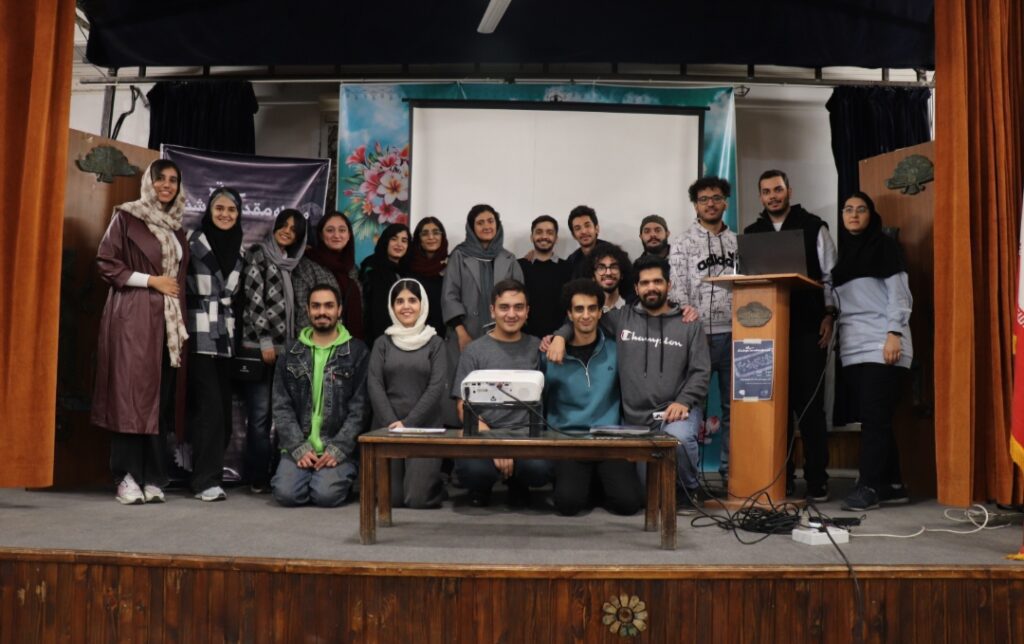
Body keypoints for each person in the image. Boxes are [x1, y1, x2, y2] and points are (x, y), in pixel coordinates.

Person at [548, 256, 710, 512]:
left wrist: (683, 401)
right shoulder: (622, 318)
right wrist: (559, 336)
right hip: (635, 421)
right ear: (636, 288)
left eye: (657, 281)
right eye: (644, 283)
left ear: (668, 285)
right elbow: (585, 318)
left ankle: (690, 488)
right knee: (645, 497)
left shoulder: (688, 323)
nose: (651, 287)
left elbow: (701, 371)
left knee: (678, 439)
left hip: (674, 412)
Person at [92, 159, 189, 505]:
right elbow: (106, 262)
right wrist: (151, 281)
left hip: (168, 323)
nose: (167, 185)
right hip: (134, 318)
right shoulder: (127, 216)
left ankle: (152, 476)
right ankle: (126, 476)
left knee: (158, 399)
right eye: (160, 178)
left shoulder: (177, 228)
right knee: (131, 398)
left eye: (173, 180)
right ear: (149, 181)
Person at [744, 169, 837, 502]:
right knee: (774, 407)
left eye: (778, 189)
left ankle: (817, 480)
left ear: (789, 191)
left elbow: (830, 277)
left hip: (808, 329)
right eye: (766, 191)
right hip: (766, 333)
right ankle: (780, 478)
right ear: (760, 196)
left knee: (810, 408)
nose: (773, 196)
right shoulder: (752, 234)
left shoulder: (814, 227)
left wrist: (830, 315)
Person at [832, 192, 913, 511]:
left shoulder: (885, 247)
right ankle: (893, 485)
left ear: (871, 215)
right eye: (848, 209)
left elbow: (900, 295)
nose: (854, 214)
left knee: (874, 420)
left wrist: (894, 333)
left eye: (861, 209)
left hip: (883, 343)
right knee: (875, 417)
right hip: (853, 348)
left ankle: (869, 486)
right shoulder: (842, 257)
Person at [543, 279, 643, 516]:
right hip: (570, 441)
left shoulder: (616, 350)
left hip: (607, 440)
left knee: (629, 504)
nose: (586, 315)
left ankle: (596, 481)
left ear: (600, 312)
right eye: (579, 309)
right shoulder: (551, 353)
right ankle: (586, 483)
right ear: (570, 314)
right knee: (568, 504)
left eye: (591, 309)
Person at [451, 280, 552, 507]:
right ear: (492, 310)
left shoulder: (538, 348)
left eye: (518, 307)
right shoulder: (474, 351)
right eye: (504, 307)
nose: (511, 314)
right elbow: (461, 407)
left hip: (526, 437)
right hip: (484, 436)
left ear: (527, 311)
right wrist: (495, 443)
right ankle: (482, 486)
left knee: (540, 469)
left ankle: (519, 482)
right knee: (473, 472)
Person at [271, 283, 369, 507]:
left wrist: (339, 448)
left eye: (328, 306)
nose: (322, 312)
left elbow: (360, 409)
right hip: (298, 444)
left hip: (337, 445)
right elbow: (281, 405)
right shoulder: (290, 352)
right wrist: (298, 447)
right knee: (286, 495)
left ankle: (326, 478)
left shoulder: (357, 351)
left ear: (339, 310)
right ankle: (309, 476)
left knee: (326, 496)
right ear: (307, 310)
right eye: (316, 306)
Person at [669, 176, 738, 481]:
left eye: (716, 198)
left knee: (734, 408)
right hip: (697, 337)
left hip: (735, 334)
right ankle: (691, 478)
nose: (710, 204)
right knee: (692, 405)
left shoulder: (738, 242)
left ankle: (731, 472)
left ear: (725, 202)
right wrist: (689, 318)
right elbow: (677, 288)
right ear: (695, 205)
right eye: (703, 199)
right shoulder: (682, 241)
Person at [184, 187, 245, 502]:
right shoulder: (193, 241)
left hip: (225, 338)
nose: (225, 214)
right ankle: (204, 481)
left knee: (222, 410)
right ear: (209, 211)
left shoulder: (240, 247)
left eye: (231, 210)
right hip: (197, 334)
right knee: (209, 410)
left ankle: (207, 474)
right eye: (219, 208)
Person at [241, 208, 308, 493]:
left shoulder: (291, 263)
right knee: (260, 417)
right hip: (262, 349)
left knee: (284, 416)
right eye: (284, 225)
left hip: (286, 352)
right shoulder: (258, 254)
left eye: (294, 230)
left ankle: (279, 474)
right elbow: (254, 301)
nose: (287, 232)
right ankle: (257, 477)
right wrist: (266, 341)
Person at [367, 279, 448, 508]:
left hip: (425, 427)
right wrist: (393, 423)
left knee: (416, 499)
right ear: (391, 307)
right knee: (390, 499)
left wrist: (408, 424)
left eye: (412, 300)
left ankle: (437, 484)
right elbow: (374, 384)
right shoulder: (382, 343)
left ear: (422, 305)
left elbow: (436, 388)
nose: (406, 306)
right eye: (399, 301)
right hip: (387, 427)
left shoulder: (435, 343)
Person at [296, 211, 365, 340]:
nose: (336, 235)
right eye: (330, 230)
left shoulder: (352, 268)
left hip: (353, 344)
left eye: (342, 230)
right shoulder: (307, 265)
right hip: (322, 344)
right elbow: (303, 311)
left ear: (349, 235)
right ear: (321, 235)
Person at [519, 215, 572, 338]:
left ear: (556, 238)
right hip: (523, 339)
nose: (544, 236)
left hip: (559, 339)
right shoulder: (518, 266)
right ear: (531, 237)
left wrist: (560, 336)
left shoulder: (568, 268)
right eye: (539, 232)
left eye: (549, 232)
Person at [359, 223, 410, 345]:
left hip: (403, 338)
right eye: (394, 239)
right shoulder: (372, 268)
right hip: (377, 340)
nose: (399, 244)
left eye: (404, 241)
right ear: (385, 241)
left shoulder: (407, 271)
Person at [407, 217, 448, 339]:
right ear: (418, 239)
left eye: (436, 232)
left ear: (442, 237)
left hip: (445, 337)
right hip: (414, 336)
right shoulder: (407, 267)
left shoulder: (452, 267)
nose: (431, 237)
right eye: (425, 233)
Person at [589, 242, 634, 312]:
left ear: (622, 273)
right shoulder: (588, 312)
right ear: (593, 275)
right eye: (601, 268)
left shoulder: (633, 309)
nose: (608, 273)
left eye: (614, 267)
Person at [565, 205, 603, 278]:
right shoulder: (571, 261)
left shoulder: (613, 254)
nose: (583, 231)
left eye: (587, 225)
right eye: (577, 228)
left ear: (597, 229)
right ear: (573, 235)